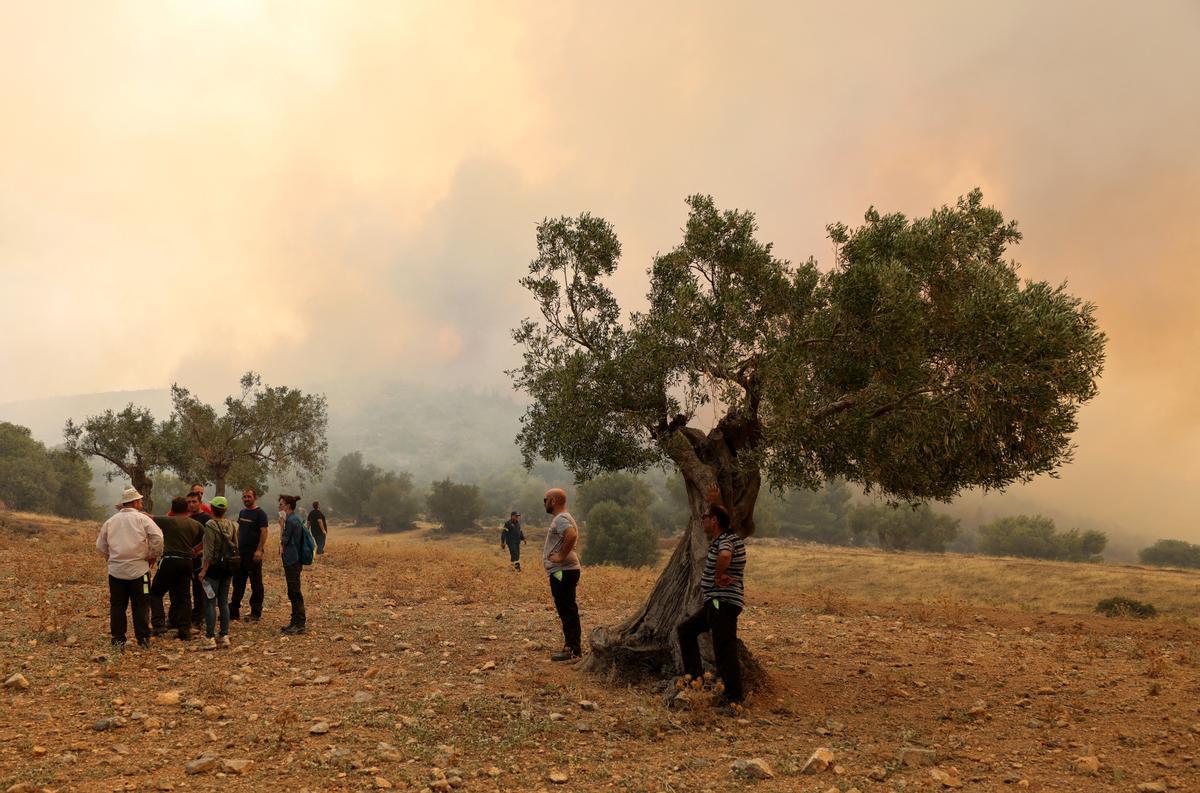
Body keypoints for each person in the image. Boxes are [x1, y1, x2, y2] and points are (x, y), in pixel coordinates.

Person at [676, 501, 747, 711]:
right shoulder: (726, 537)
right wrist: (714, 499)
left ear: (714, 521)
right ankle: (695, 679)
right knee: (686, 630)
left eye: (705, 517)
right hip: (716, 602)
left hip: (722, 602)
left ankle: (733, 699)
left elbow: (725, 555)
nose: (702, 520)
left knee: (724, 648)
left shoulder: (726, 540)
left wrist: (716, 576)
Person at [95, 487, 164, 649]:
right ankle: (143, 638)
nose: (141, 503)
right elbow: (158, 538)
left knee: (118, 606)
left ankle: (118, 639)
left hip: (116, 571)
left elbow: (100, 546)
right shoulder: (143, 519)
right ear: (134, 502)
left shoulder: (111, 521)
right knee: (141, 605)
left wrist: (111, 557)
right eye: (139, 501)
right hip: (140, 570)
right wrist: (153, 554)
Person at [149, 496, 203, 640]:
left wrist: (126, 508)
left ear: (172, 509)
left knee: (155, 592)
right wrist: (196, 550)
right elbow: (206, 538)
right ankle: (184, 630)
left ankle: (159, 625)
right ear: (187, 508)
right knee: (184, 596)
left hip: (169, 560)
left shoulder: (167, 521)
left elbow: (147, 517)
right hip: (187, 562)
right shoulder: (195, 524)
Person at [542, 488, 581, 661]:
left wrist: (560, 556)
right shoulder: (563, 517)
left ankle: (572, 649)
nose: (544, 503)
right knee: (567, 608)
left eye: (545, 499)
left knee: (566, 609)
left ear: (553, 501)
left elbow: (571, 535)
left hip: (562, 572)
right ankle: (573, 646)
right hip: (563, 571)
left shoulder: (561, 519)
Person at [198, 496, 238, 649]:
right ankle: (224, 635)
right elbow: (236, 545)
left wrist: (204, 570)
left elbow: (208, 551)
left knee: (209, 603)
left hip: (213, 570)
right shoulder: (231, 524)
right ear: (225, 510)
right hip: (227, 569)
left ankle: (210, 637)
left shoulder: (210, 525)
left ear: (212, 509)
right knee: (223, 602)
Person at [230, 488, 269, 622]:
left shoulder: (260, 513)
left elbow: (264, 532)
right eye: (244, 497)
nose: (246, 499)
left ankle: (255, 612)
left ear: (254, 497)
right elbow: (239, 529)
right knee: (238, 582)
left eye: (249, 496)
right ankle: (233, 611)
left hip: (253, 554)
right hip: (241, 553)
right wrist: (235, 545)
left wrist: (259, 550)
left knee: (256, 584)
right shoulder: (242, 512)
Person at [278, 494, 307, 634]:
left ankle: (299, 623)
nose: (279, 507)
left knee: (294, 592)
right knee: (293, 591)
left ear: (288, 506)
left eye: (281, 504)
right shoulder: (295, 519)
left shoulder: (290, 521)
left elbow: (284, 540)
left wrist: (281, 525)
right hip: (294, 559)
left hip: (292, 560)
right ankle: (294, 622)